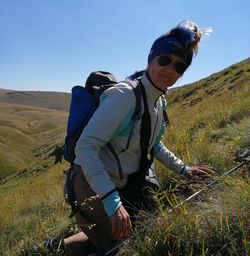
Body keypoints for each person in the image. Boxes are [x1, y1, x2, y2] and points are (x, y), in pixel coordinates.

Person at [61, 20, 214, 256]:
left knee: (141, 229)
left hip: (121, 183)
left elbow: (154, 144)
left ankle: (83, 237)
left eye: (180, 66)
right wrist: (112, 202)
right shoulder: (125, 96)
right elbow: (86, 148)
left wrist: (184, 170)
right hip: (91, 184)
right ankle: (66, 247)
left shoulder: (159, 101)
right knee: (124, 248)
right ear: (151, 59)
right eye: (165, 60)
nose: (170, 70)